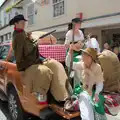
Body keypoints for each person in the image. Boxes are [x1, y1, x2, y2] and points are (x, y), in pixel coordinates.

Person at [9, 14, 69, 103]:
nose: (24, 24)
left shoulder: (22, 33)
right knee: (45, 72)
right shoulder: (18, 35)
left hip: (35, 61)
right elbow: (27, 51)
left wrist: (42, 58)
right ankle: (44, 96)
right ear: (16, 23)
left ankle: (64, 96)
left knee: (56, 64)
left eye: (24, 22)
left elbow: (31, 50)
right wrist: (35, 41)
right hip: (27, 64)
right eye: (22, 22)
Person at [66, 47, 106, 120]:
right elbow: (69, 64)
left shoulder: (97, 67)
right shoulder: (82, 64)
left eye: (85, 54)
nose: (83, 56)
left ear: (91, 57)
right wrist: (69, 53)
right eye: (83, 54)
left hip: (94, 91)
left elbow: (100, 83)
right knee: (87, 114)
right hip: (83, 90)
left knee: (97, 107)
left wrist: (97, 93)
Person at [65, 18, 85, 86]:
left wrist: (80, 45)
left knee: (83, 65)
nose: (80, 25)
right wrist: (73, 46)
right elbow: (66, 45)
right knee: (74, 69)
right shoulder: (69, 33)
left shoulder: (80, 32)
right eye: (78, 23)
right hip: (71, 53)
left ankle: (81, 84)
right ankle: (74, 87)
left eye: (80, 23)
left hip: (80, 52)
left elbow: (82, 43)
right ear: (74, 24)